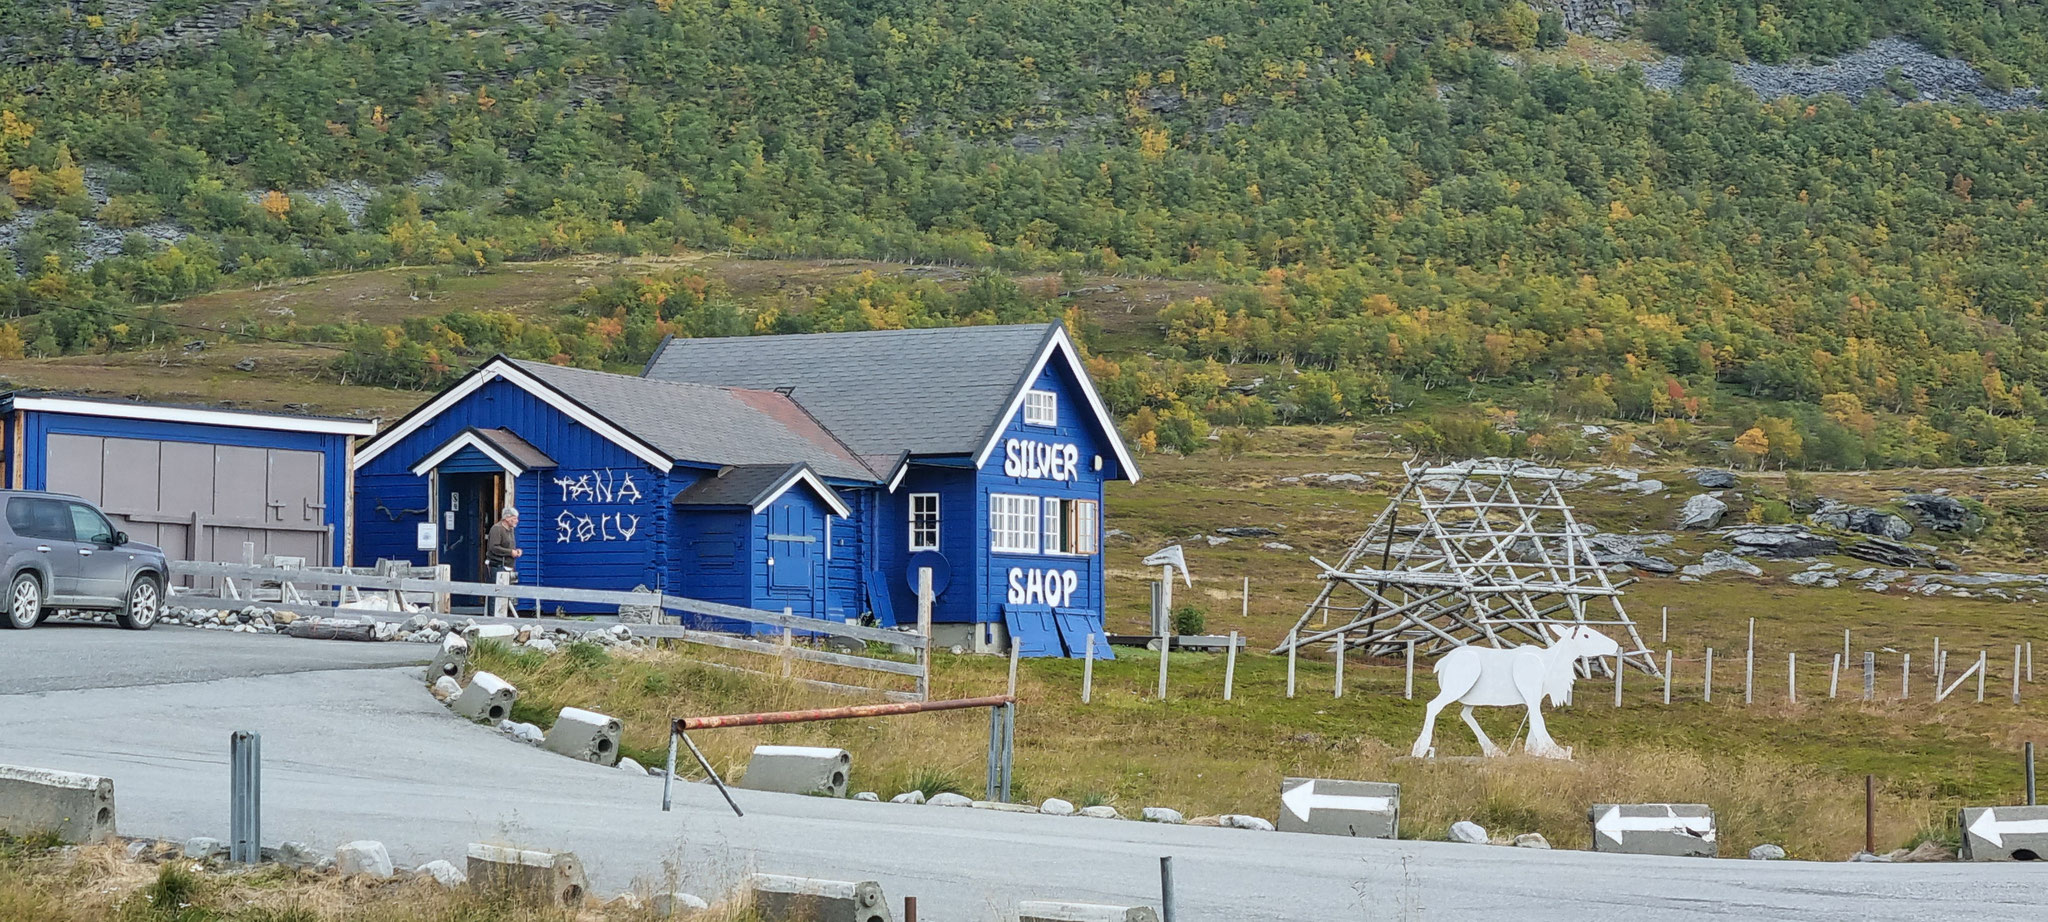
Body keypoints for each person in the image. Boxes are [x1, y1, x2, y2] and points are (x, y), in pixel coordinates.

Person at [485, 507, 525, 618]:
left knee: (505, 593)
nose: (517, 521)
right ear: (507, 518)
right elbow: (494, 547)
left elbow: (509, 546)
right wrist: (510, 552)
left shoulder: (511, 530)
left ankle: (503, 615)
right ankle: (492, 617)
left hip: (507, 565)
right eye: (514, 518)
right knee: (495, 592)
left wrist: (516, 551)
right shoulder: (496, 529)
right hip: (496, 565)